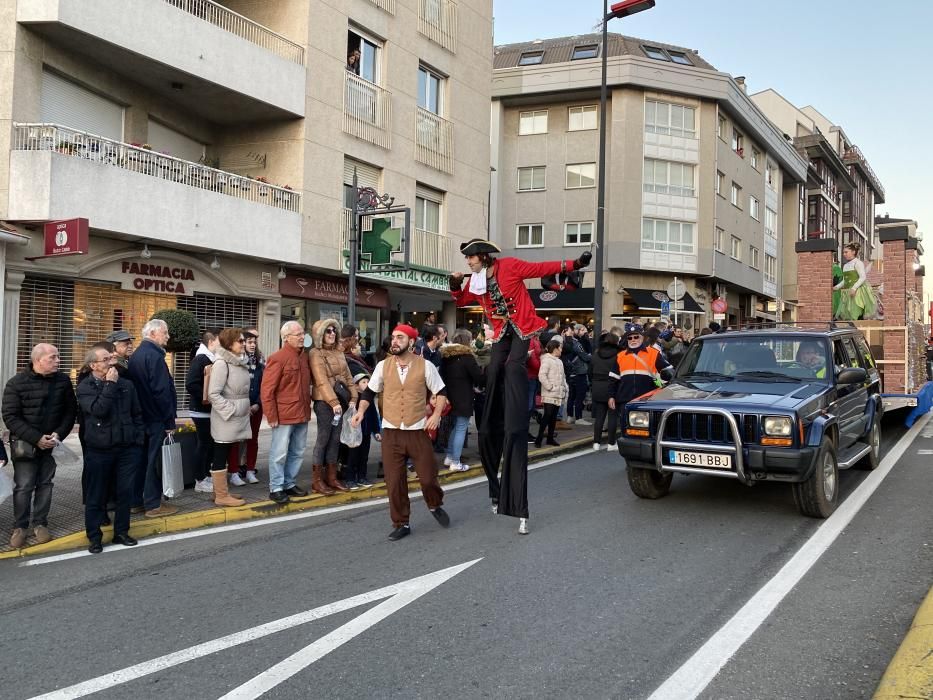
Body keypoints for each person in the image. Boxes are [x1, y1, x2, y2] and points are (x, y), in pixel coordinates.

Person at [450, 238, 590, 534]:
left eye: (471, 258)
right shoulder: (476, 281)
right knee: (495, 370)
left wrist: (573, 265)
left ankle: (516, 415)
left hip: (523, 328)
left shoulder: (510, 266)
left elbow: (541, 267)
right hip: (501, 333)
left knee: (514, 366)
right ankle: (493, 411)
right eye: (467, 260)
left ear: (483, 257)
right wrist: (454, 284)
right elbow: (461, 301)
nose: (468, 263)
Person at [350, 324, 450, 541]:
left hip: (417, 431)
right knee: (394, 482)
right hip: (391, 432)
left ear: (411, 342)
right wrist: (360, 412)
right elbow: (369, 393)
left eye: (400, 338)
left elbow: (441, 391)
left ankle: (435, 504)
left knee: (428, 478)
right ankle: (401, 523)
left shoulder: (425, 366)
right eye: (393, 337)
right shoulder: (383, 366)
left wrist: (436, 415)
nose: (394, 341)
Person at [2, 343, 77, 549]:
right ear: (38, 360)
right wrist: (36, 438)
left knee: (45, 484)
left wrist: (58, 434)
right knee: (24, 486)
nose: (58, 361)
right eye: (53, 357)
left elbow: (70, 412)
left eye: (58, 356)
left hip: (51, 443)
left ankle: (41, 523)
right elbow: (10, 417)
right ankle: (20, 526)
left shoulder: (62, 381)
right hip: (25, 445)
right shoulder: (16, 383)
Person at [76, 346, 143, 553]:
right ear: (93, 365)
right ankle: (94, 536)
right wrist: (110, 384)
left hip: (126, 448)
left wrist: (137, 441)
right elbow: (98, 410)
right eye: (105, 360)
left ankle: (121, 532)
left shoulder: (127, 385)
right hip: (99, 449)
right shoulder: (85, 386)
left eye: (111, 359)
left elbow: (137, 414)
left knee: (124, 493)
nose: (110, 363)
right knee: (97, 494)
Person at [127, 319, 179, 518]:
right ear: (154, 333)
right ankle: (153, 504)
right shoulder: (155, 356)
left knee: (141, 461)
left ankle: (136, 502)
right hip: (155, 418)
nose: (167, 336)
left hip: (142, 417)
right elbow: (161, 392)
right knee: (153, 462)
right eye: (165, 332)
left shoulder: (137, 355)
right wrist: (169, 421)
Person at [260, 321, 312, 504]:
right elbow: (267, 390)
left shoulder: (304, 357)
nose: (301, 337)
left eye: (302, 333)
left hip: (302, 412)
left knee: (297, 451)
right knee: (279, 453)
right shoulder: (278, 358)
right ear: (286, 338)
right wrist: (271, 416)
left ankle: (289, 483)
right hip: (284, 414)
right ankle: (276, 488)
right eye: (297, 334)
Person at [309, 318, 358, 495]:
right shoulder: (315, 353)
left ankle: (331, 478)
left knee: (335, 439)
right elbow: (321, 380)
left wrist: (354, 396)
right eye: (328, 331)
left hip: (341, 401)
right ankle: (317, 481)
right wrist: (333, 402)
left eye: (334, 330)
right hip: (324, 402)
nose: (332, 334)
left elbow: (347, 376)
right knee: (323, 439)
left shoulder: (339, 352)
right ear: (320, 334)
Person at [204, 328, 249, 507]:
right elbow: (213, 394)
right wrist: (230, 410)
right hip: (226, 418)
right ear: (230, 344)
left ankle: (219, 492)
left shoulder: (238, 362)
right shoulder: (222, 363)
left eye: (244, 340)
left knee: (226, 453)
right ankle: (221, 495)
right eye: (241, 341)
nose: (244, 343)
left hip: (236, 417)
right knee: (220, 454)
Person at [440, 329, 484, 472]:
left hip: (448, 397)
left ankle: (450, 456)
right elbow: (478, 377)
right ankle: (455, 462)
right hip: (464, 397)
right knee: (461, 428)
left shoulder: (446, 357)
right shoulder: (467, 357)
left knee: (455, 427)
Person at [607, 325, 673, 420]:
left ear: (642, 337)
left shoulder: (653, 353)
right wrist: (611, 396)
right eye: (630, 338)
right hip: (625, 400)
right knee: (626, 430)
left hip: (647, 400)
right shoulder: (620, 356)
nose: (633, 339)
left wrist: (666, 386)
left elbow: (669, 371)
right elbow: (613, 379)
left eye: (636, 337)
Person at [226, 328, 265, 485]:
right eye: (249, 342)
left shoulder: (261, 362)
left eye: (254, 342)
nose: (253, 345)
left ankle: (250, 470)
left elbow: (264, 385)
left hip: (256, 407)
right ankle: (234, 472)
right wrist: (245, 405)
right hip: (240, 407)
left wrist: (257, 403)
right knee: (236, 440)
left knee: (252, 440)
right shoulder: (236, 361)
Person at [185, 331, 220, 494]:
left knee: (208, 445)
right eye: (219, 341)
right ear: (212, 342)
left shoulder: (211, 358)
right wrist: (207, 397)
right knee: (204, 444)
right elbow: (191, 384)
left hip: (208, 410)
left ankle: (205, 475)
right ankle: (200, 479)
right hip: (201, 410)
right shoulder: (201, 359)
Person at [345, 372, 381, 488]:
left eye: (368, 382)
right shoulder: (353, 401)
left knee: (364, 456)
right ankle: (350, 479)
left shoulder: (368, 400)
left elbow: (374, 416)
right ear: (356, 386)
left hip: (366, 433)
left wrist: (376, 431)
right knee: (353, 456)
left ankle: (362, 477)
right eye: (363, 382)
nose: (367, 384)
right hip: (355, 434)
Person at [590, 331, 621, 451]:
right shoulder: (619, 354)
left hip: (597, 386)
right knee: (612, 416)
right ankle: (611, 443)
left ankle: (596, 443)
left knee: (599, 416)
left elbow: (590, 371)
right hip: (612, 387)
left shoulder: (596, 354)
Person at [534, 339, 566, 449]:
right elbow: (542, 375)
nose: (562, 350)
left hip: (558, 393)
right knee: (547, 416)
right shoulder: (547, 360)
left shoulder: (559, 361)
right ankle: (539, 438)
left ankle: (550, 438)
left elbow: (563, 377)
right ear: (555, 349)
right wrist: (550, 387)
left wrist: (565, 388)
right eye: (560, 348)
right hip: (549, 393)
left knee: (553, 417)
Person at [833, 242, 877, 321]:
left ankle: (860, 328)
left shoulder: (858, 263)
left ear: (853, 252)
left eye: (846, 252)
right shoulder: (845, 266)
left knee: (857, 312)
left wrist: (854, 288)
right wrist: (837, 287)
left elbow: (863, 277)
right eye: (843, 252)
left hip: (857, 292)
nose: (844, 254)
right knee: (849, 314)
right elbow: (845, 280)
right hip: (848, 292)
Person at [563, 325, 592, 426]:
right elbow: (584, 356)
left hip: (570, 372)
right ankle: (579, 418)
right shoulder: (575, 343)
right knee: (580, 396)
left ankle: (570, 416)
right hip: (579, 372)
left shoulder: (564, 342)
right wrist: (591, 356)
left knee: (572, 396)